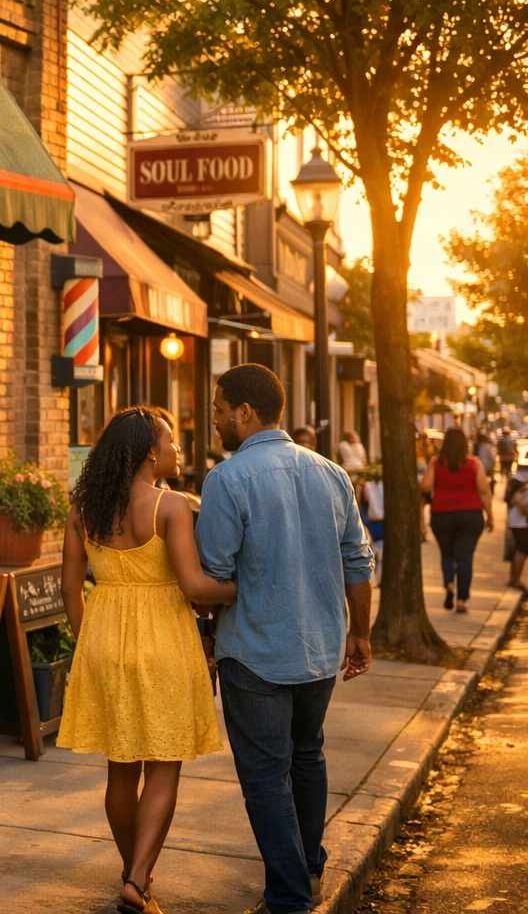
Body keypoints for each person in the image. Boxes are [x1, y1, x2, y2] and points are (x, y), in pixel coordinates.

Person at [196, 364, 373, 914]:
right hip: (321, 647)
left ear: (244, 412)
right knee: (307, 756)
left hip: (255, 652)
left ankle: (291, 897)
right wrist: (360, 633)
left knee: (267, 777)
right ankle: (310, 871)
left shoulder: (227, 478)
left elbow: (214, 575)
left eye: (220, 409)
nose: (216, 419)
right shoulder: (332, 473)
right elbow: (358, 561)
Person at [58, 406, 236, 914]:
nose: (177, 450)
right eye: (171, 441)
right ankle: (137, 879)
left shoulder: (82, 508)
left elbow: (71, 589)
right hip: (163, 642)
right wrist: (237, 589)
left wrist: (92, 641)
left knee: (120, 770)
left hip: (104, 639)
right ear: (149, 453)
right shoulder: (171, 506)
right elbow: (196, 587)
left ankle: (135, 876)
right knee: (163, 765)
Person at [420, 427, 494, 614]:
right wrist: (490, 516)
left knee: (447, 554)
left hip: (442, 515)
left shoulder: (437, 463)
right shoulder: (474, 464)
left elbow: (426, 486)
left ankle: (449, 584)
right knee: (465, 556)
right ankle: (461, 600)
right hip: (470, 515)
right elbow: (484, 491)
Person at [506, 465, 528, 589]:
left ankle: (513, 578)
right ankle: (516, 579)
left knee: (519, 550)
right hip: (522, 522)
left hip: (518, 521)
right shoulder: (522, 480)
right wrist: (526, 511)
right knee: (522, 550)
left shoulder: (518, 477)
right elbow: (515, 499)